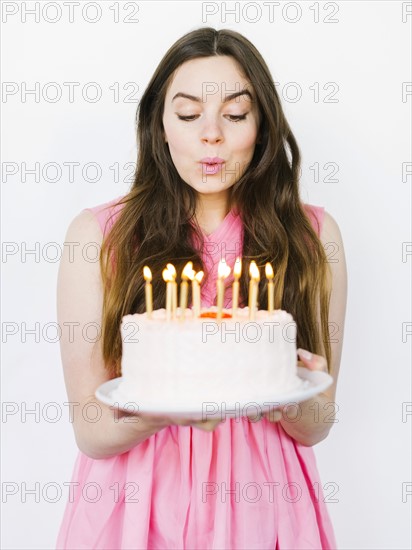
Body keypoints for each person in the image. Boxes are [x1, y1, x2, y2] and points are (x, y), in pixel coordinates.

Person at [56, 27, 347, 549]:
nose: (211, 135)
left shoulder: (313, 237)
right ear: (159, 126)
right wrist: (160, 414)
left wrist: (295, 396)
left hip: (266, 506)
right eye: (188, 115)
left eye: (235, 115)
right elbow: (91, 428)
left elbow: (319, 421)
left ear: (262, 124)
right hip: (135, 505)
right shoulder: (98, 238)